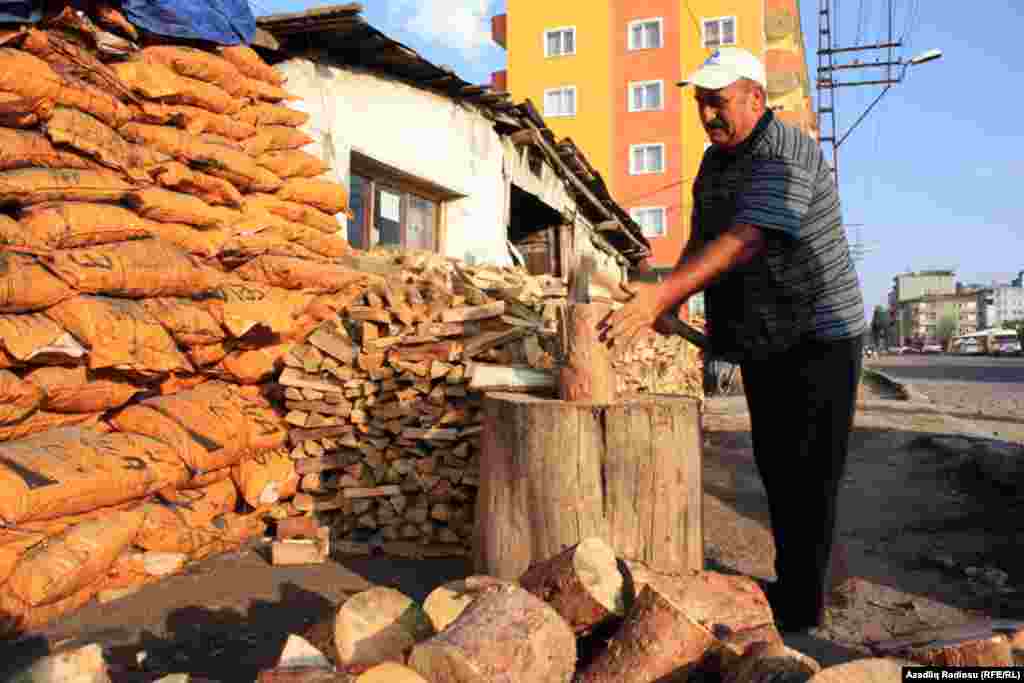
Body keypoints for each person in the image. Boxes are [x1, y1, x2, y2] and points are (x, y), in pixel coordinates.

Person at [600, 47, 867, 632]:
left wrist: (662, 299)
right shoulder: (714, 163)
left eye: (718, 103)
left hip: (821, 334)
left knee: (810, 471)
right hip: (766, 338)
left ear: (755, 98)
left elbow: (747, 240)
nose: (708, 116)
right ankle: (792, 583)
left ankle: (802, 607)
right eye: (701, 104)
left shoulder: (787, 151)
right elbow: (704, 239)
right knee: (775, 463)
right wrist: (665, 294)